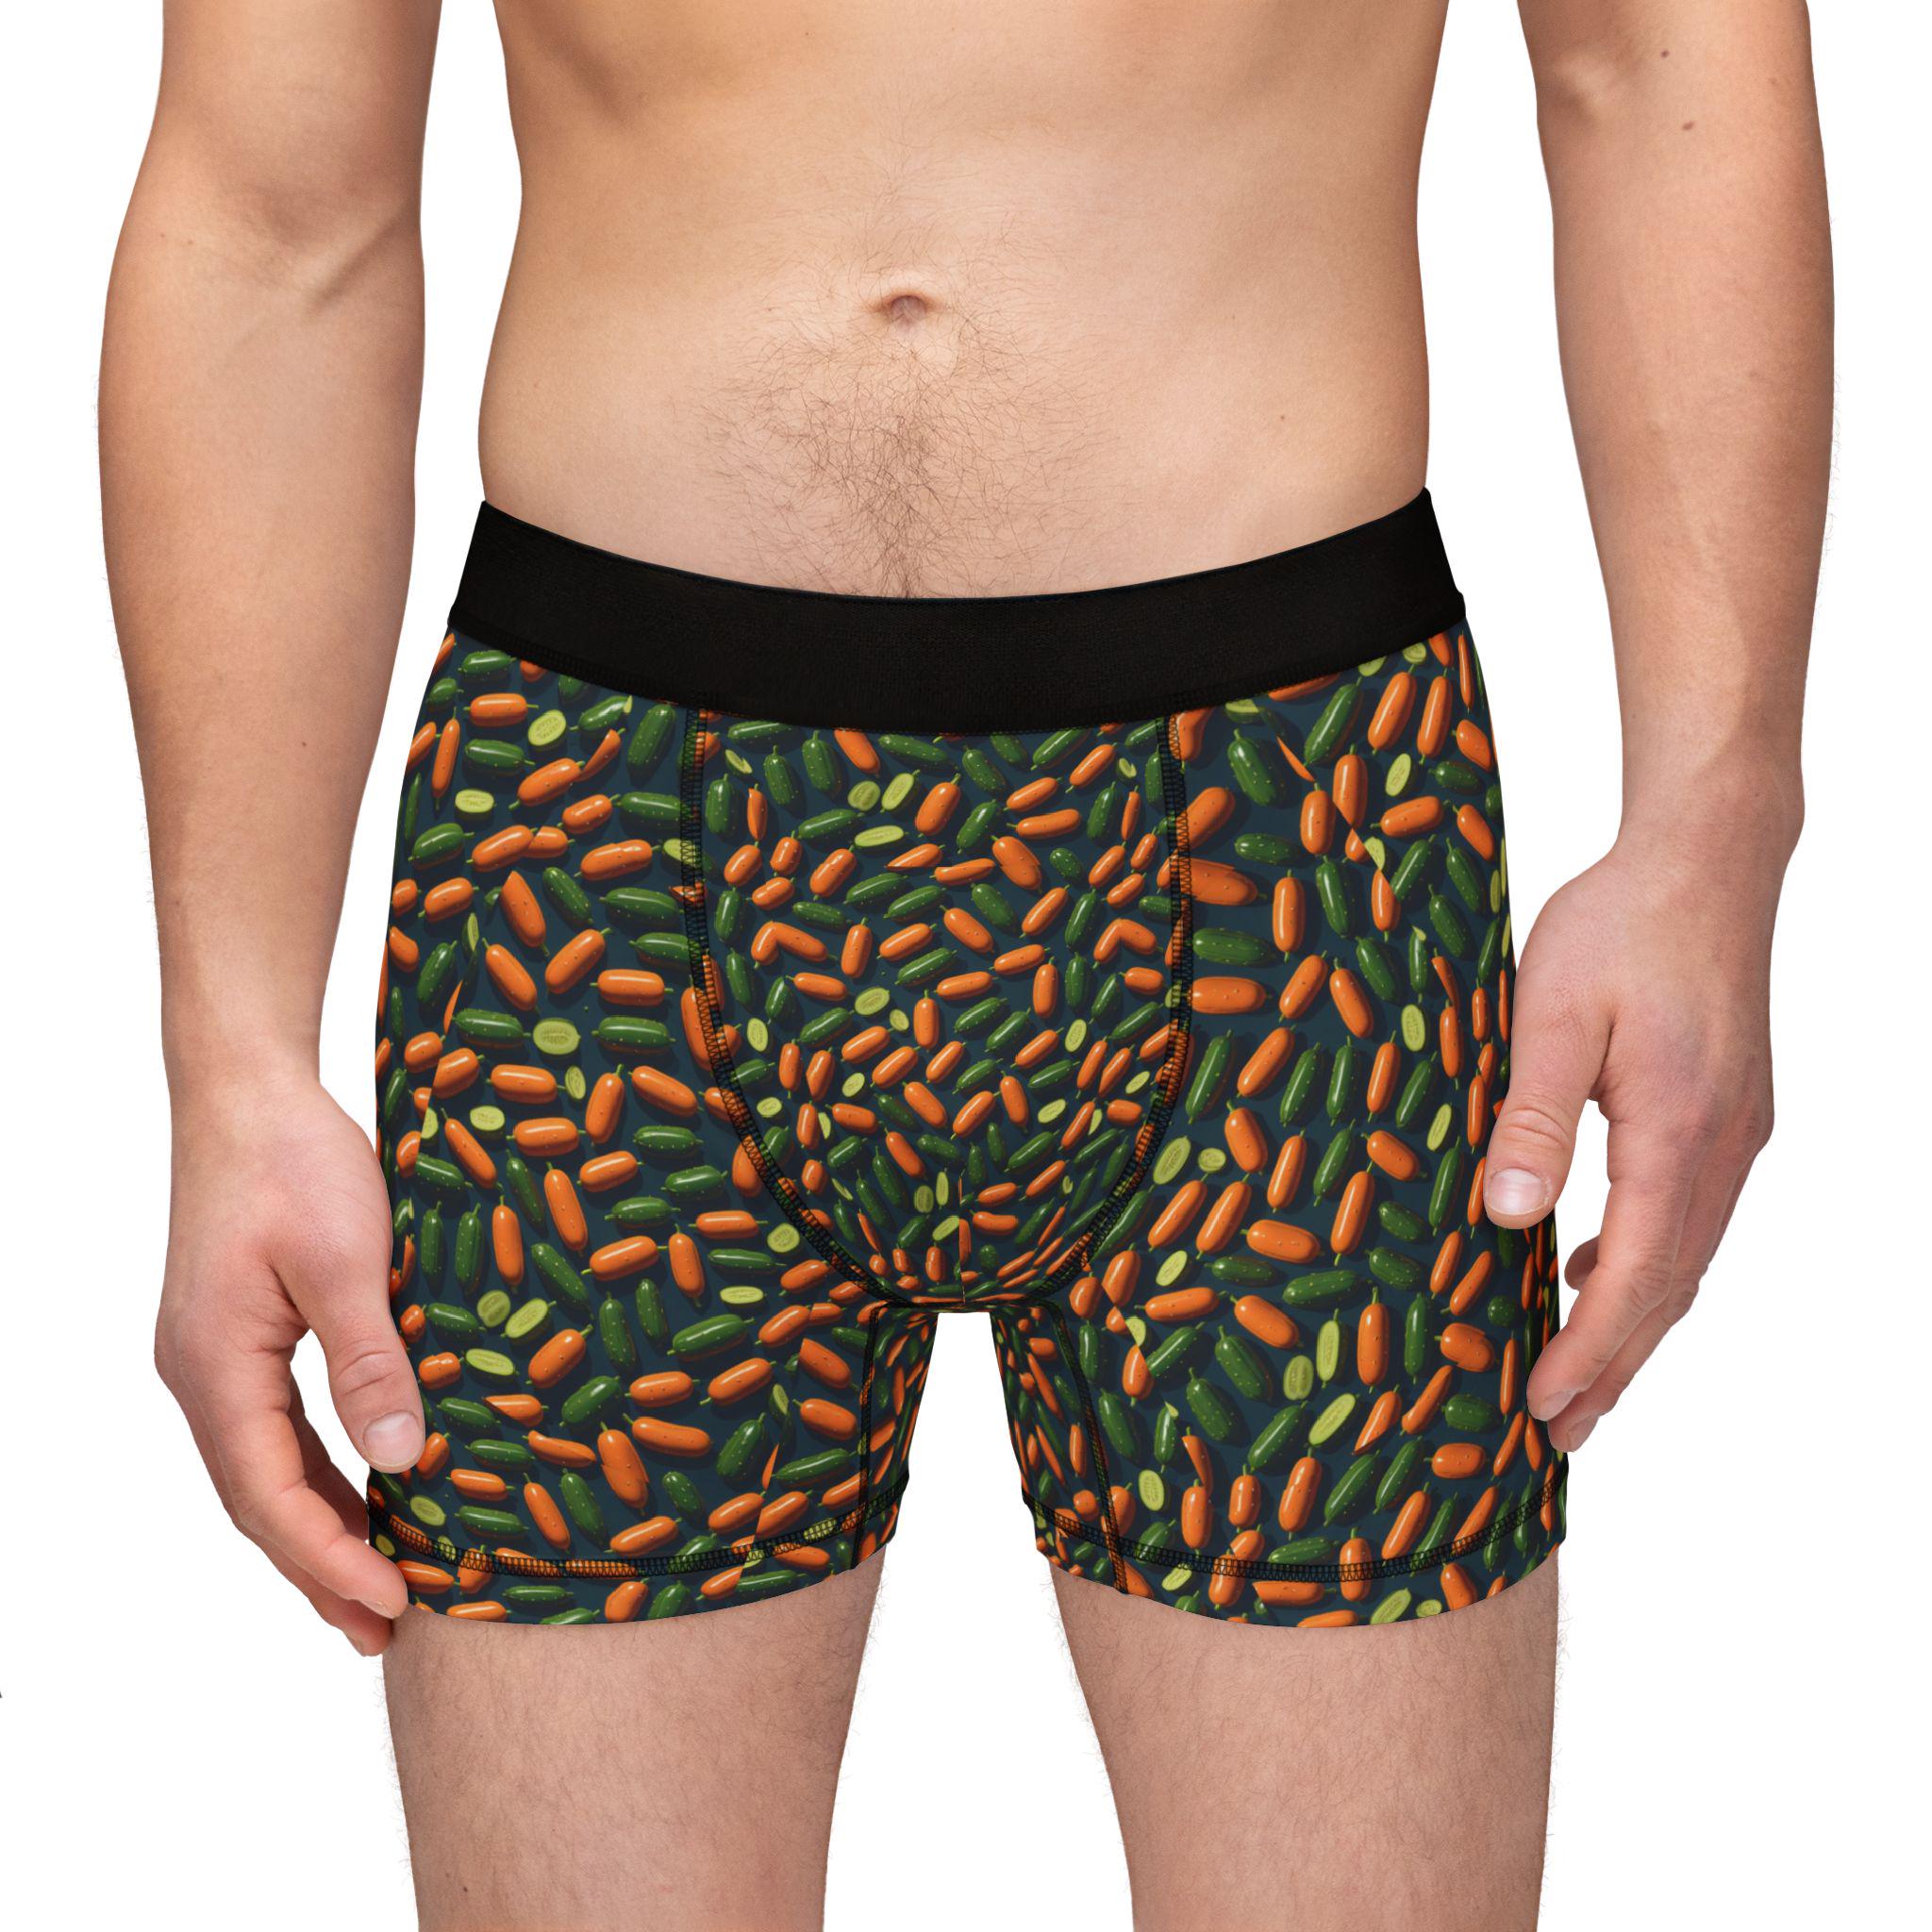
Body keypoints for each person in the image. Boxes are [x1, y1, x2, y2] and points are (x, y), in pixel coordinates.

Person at [101, 2, 1828, 1925]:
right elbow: (278, 213)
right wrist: (231, 1054)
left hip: (1293, 845)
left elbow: (1654, 57)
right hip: (598, 869)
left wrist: (1714, 823)